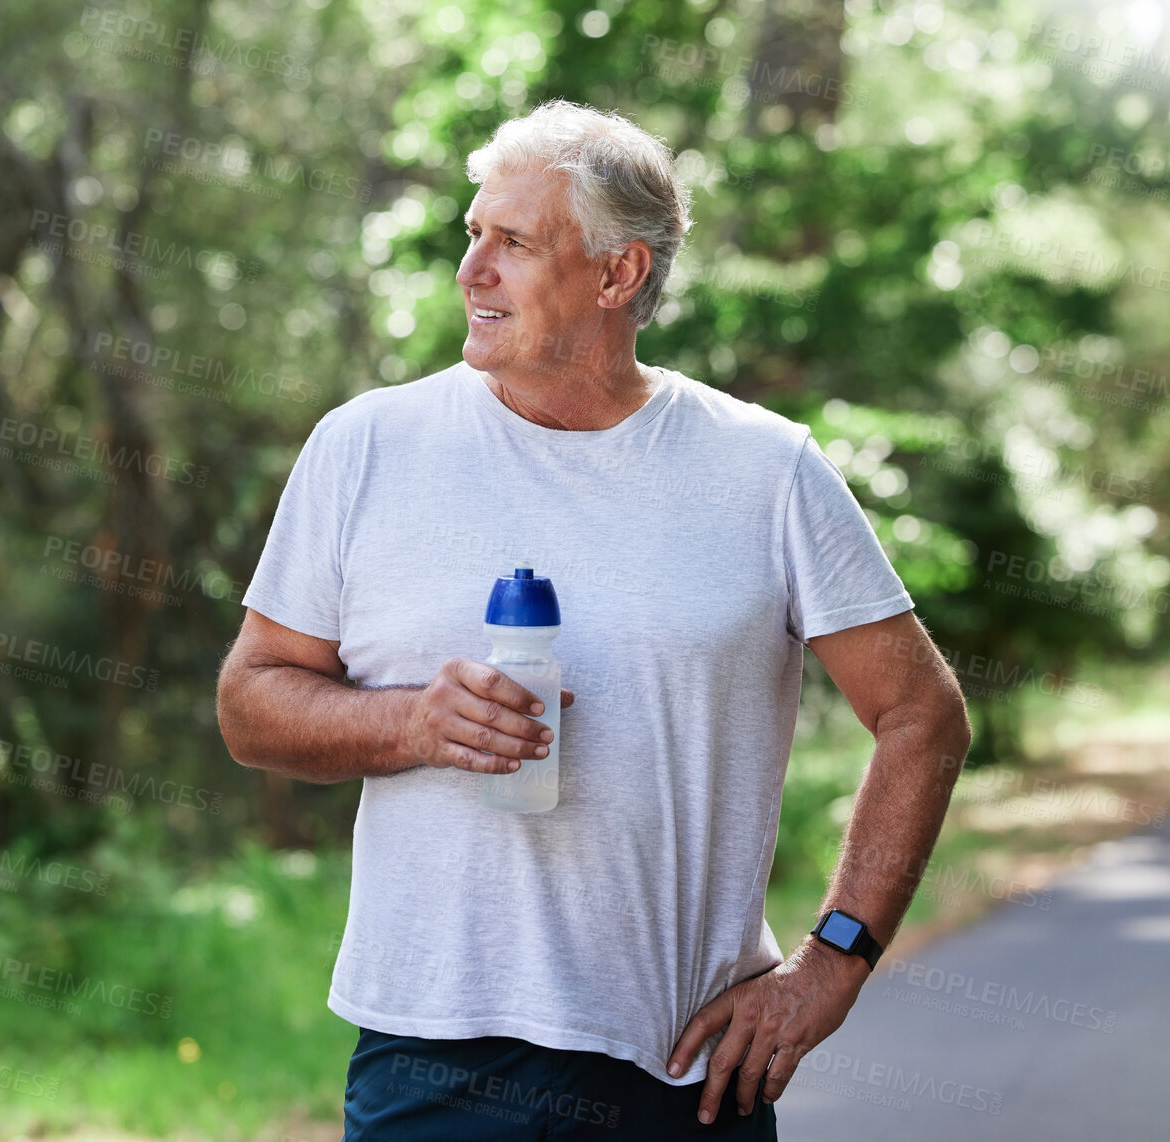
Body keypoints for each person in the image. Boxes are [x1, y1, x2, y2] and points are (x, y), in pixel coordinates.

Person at [217, 99, 971, 1140]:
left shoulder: (764, 469)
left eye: (513, 242)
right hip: (432, 1058)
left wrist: (831, 962)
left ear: (618, 275)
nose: (470, 269)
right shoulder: (363, 448)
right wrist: (410, 725)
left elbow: (920, 716)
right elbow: (251, 704)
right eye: (471, 233)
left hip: (681, 1069)